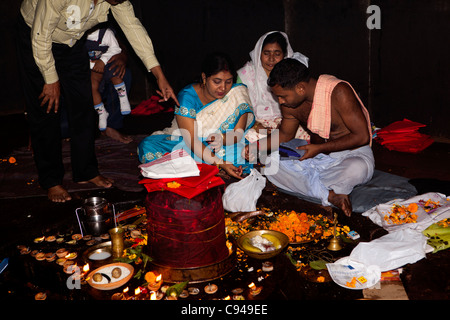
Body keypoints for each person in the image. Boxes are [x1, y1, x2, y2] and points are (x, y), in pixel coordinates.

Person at [17, 0, 179, 202]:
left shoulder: (117, 0)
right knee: (47, 107)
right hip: (37, 37)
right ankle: (51, 180)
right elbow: (40, 37)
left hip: (72, 43)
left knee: (84, 105)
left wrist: (159, 75)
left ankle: (85, 171)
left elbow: (133, 28)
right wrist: (50, 80)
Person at [244, 58, 374, 216]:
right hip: (316, 159)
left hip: (351, 156)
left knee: (357, 169)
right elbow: (285, 134)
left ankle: (315, 187)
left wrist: (319, 148)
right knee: (272, 165)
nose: (280, 101)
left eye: (283, 96)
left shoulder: (338, 92)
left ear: (300, 88)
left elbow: (362, 137)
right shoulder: (290, 104)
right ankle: (331, 194)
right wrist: (255, 147)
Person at [138, 52, 255, 180]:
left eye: (228, 82)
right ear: (204, 78)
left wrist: (221, 138)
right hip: (188, 142)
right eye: (217, 81)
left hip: (221, 144)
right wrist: (220, 162)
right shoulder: (187, 97)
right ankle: (212, 167)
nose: (223, 88)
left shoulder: (237, 93)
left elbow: (237, 133)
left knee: (239, 152)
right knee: (148, 146)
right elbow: (191, 140)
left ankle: (204, 167)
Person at [237, 31, 310, 142]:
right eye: (266, 53)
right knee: (250, 137)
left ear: (285, 55)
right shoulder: (245, 75)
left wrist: (284, 124)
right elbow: (239, 108)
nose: (271, 59)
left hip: (288, 121)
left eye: (277, 54)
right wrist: (256, 126)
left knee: (304, 134)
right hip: (255, 123)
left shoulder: (293, 75)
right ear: (259, 53)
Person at [86, 26, 131, 132]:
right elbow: (77, 57)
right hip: (92, 67)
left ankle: (123, 101)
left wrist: (103, 61)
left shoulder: (106, 33)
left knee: (117, 75)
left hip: (108, 61)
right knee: (92, 86)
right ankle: (101, 112)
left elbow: (117, 48)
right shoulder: (77, 35)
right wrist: (91, 65)